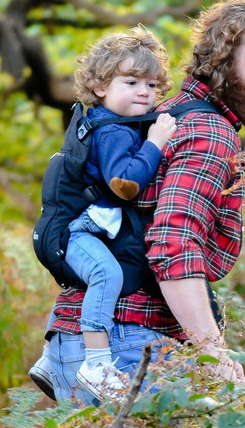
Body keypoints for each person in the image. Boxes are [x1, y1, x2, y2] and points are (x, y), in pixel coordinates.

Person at [31, 0, 245, 406]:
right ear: (223, 60)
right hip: (124, 349)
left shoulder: (161, 113)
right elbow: (174, 244)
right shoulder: (209, 133)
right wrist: (215, 356)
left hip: (75, 341)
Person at [30, 26, 176, 401]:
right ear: (99, 86)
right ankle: (96, 362)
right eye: (131, 82)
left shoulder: (96, 120)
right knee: (105, 273)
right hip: (80, 231)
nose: (144, 92)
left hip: (79, 227)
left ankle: (49, 357)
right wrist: (156, 144)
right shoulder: (114, 131)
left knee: (85, 279)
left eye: (152, 85)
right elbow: (124, 183)